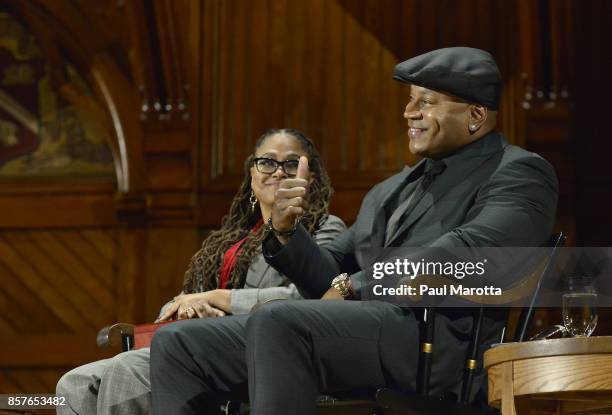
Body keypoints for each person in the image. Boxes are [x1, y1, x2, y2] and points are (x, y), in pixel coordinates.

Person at [150, 47, 559, 414]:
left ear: (475, 115)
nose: (409, 113)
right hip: (367, 332)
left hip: (435, 345)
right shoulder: (395, 188)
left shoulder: (518, 171)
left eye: (427, 102)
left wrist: (358, 285)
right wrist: (288, 231)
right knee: (180, 344)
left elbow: (468, 252)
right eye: (410, 101)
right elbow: (330, 271)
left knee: (278, 321)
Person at [55, 129, 345, 415]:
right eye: (267, 162)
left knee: (127, 368)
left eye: (292, 164)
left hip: (264, 353)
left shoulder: (325, 228)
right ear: (252, 174)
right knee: (76, 384)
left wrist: (219, 298)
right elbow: (188, 296)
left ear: (311, 178)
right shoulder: (231, 239)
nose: (278, 172)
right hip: (196, 342)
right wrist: (185, 308)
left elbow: (316, 299)